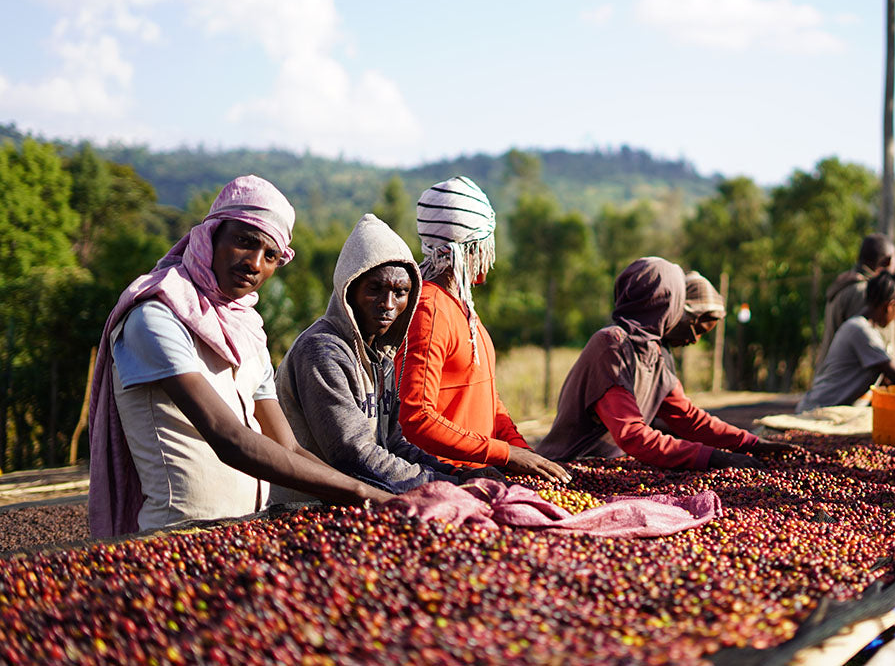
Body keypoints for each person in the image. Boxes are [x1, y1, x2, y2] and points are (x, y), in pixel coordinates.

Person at [87, 176, 396, 537]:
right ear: (211, 236)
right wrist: (361, 492)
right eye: (245, 242)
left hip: (245, 531)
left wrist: (375, 498)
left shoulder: (247, 330)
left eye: (270, 255)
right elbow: (227, 437)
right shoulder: (155, 317)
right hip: (176, 536)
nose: (254, 263)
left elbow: (288, 447)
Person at [272, 214, 500, 504]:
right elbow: (354, 454)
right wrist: (447, 484)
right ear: (350, 289)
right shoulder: (322, 351)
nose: (388, 305)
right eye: (375, 289)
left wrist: (458, 473)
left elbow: (391, 443)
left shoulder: (381, 355)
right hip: (305, 507)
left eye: (400, 292)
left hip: (358, 504)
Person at [396, 176, 569, 482]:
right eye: (488, 244)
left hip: (480, 473)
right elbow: (416, 418)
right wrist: (504, 453)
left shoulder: (460, 306)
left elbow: (487, 396)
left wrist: (520, 451)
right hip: (443, 479)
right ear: (471, 247)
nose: (490, 258)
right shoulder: (429, 309)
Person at [537, 262, 789, 469]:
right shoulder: (612, 345)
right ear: (668, 304)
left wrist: (748, 442)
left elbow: (687, 418)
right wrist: (714, 457)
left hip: (608, 465)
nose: (694, 339)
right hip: (568, 467)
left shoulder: (656, 352)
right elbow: (632, 435)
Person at [798, 272, 895, 411]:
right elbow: (893, 373)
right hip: (819, 408)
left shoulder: (868, 330)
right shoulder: (860, 330)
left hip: (834, 410)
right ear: (889, 306)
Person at [815, 233, 895, 368]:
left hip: (831, 373)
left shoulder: (844, 284)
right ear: (888, 261)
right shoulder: (864, 292)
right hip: (847, 382)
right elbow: (871, 348)